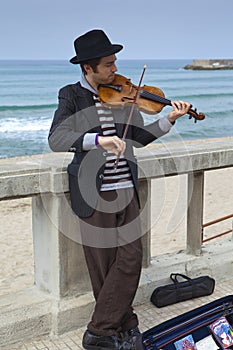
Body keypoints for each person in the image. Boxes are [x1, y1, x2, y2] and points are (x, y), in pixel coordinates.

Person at [48, 29, 190, 350]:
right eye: (108, 64)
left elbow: (137, 137)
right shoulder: (71, 95)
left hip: (126, 188)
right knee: (102, 266)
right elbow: (56, 138)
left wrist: (168, 119)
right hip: (93, 192)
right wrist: (98, 140)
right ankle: (123, 326)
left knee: (130, 258)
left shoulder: (122, 94)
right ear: (88, 68)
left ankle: (98, 332)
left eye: (115, 63)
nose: (115, 70)